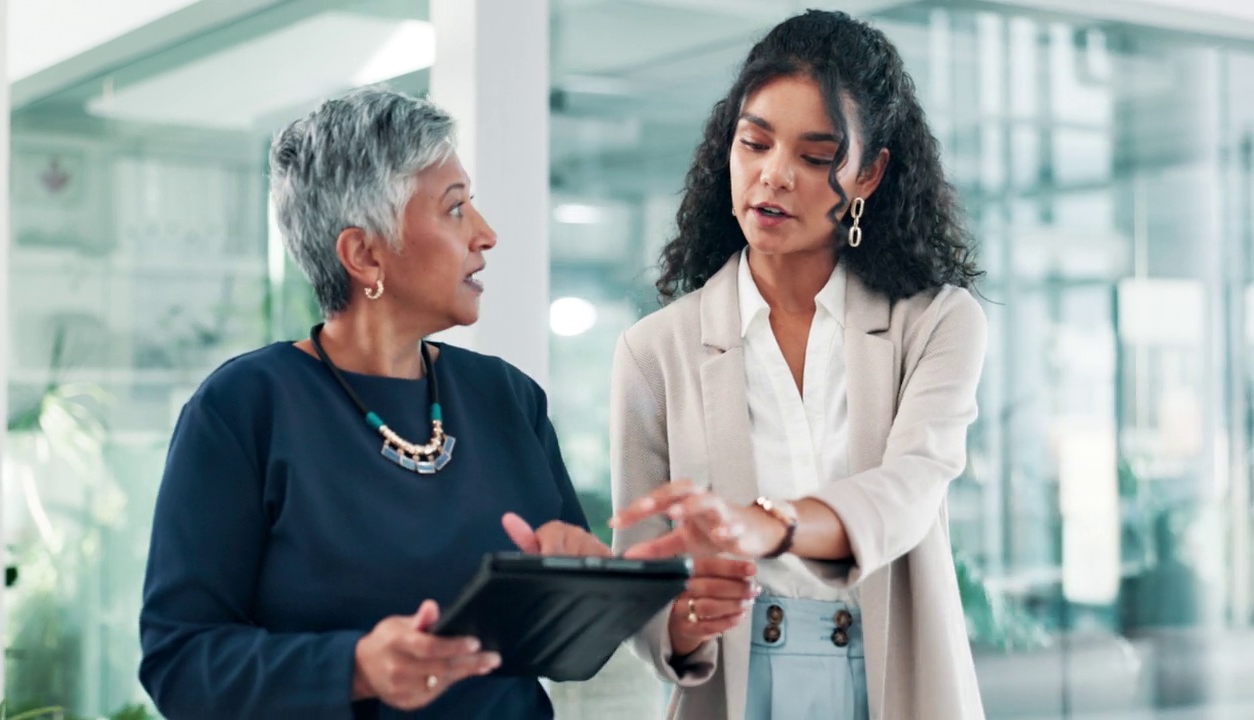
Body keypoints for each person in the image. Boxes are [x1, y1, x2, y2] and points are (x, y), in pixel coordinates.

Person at [138, 88, 609, 720]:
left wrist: (585, 589)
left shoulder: (508, 398)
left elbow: (568, 654)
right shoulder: (244, 409)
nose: (486, 234)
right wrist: (355, 668)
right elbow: (180, 663)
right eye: (456, 209)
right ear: (364, 255)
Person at [609, 10, 988, 720]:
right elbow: (646, 582)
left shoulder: (936, 322)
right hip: (735, 687)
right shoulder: (654, 351)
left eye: (816, 157)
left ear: (869, 173)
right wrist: (687, 617)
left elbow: (909, 491)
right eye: (754, 143)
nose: (774, 176)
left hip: (898, 683)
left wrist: (768, 524)